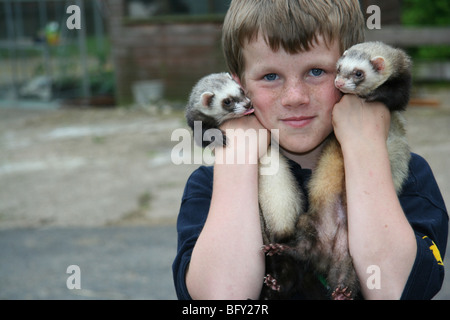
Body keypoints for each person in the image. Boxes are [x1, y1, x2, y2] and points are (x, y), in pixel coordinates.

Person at [172, 0, 448, 300]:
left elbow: (395, 291)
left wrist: (365, 147)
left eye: (316, 71)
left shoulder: (412, 177)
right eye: (270, 76)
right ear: (238, 86)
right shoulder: (208, 188)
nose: (295, 97)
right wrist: (237, 158)